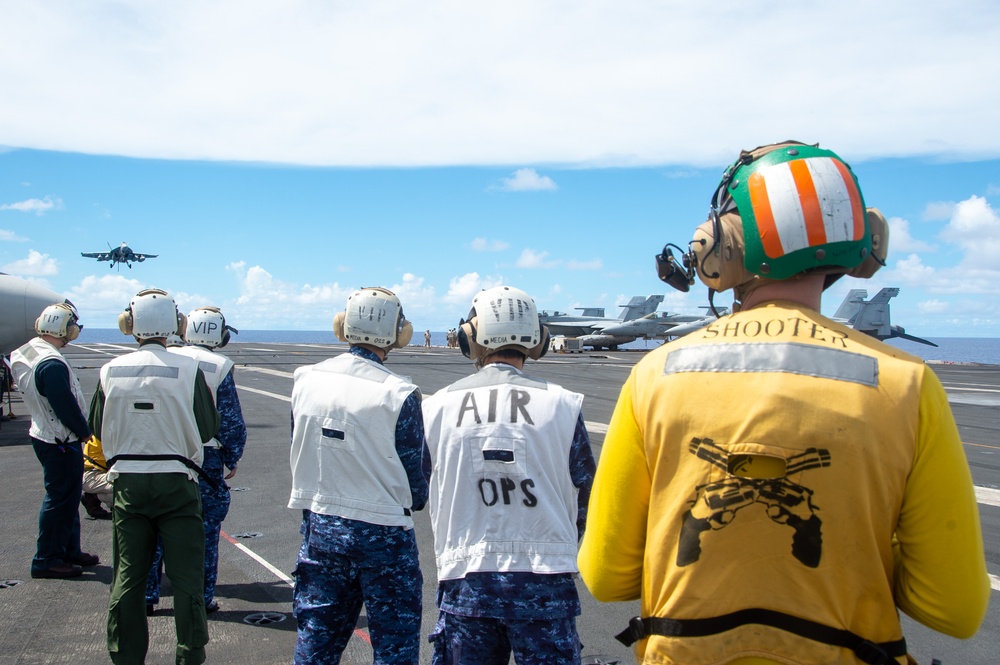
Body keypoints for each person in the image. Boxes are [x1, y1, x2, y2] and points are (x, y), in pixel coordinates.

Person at [577, 141, 991, 665]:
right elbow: (953, 609)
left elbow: (607, 578)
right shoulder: (907, 382)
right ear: (861, 245)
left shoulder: (657, 374)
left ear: (722, 244)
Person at [422, 285, 596, 665]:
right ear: (538, 339)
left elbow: (422, 485)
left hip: (466, 580)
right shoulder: (563, 405)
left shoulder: (436, 407)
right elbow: (586, 492)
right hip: (546, 581)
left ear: (472, 338)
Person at [288, 287, 429, 665]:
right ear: (399, 332)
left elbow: (297, 442)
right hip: (384, 536)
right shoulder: (400, 393)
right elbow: (417, 479)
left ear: (343, 325)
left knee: (316, 639)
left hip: (321, 528)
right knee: (394, 648)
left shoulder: (305, 378)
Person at [89, 288, 220, 665]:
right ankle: (189, 654)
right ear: (176, 325)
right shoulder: (188, 368)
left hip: (127, 484)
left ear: (130, 325)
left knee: (128, 578)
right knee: (186, 581)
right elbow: (208, 426)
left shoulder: (109, 370)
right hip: (178, 484)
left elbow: (96, 425)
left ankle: (125, 656)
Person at [146, 307, 247, 615]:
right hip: (205, 456)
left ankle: (148, 594)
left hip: (161, 451)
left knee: (156, 530)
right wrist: (232, 456)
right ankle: (201, 597)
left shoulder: (169, 357)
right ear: (220, 334)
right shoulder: (219, 365)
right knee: (205, 531)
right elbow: (229, 421)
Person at [10, 301, 100, 578]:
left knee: (68, 497)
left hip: (44, 434)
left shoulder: (27, 351)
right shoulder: (52, 363)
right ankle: (47, 559)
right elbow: (64, 404)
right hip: (60, 439)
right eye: (72, 327)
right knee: (60, 499)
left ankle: (68, 549)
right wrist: (85, 431)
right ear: (62, 328)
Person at [81, 434, 113, 520]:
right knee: (129, 490)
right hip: (91, 475)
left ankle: (95, 497)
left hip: (100, 473)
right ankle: (92, 498)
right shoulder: (107, 433)